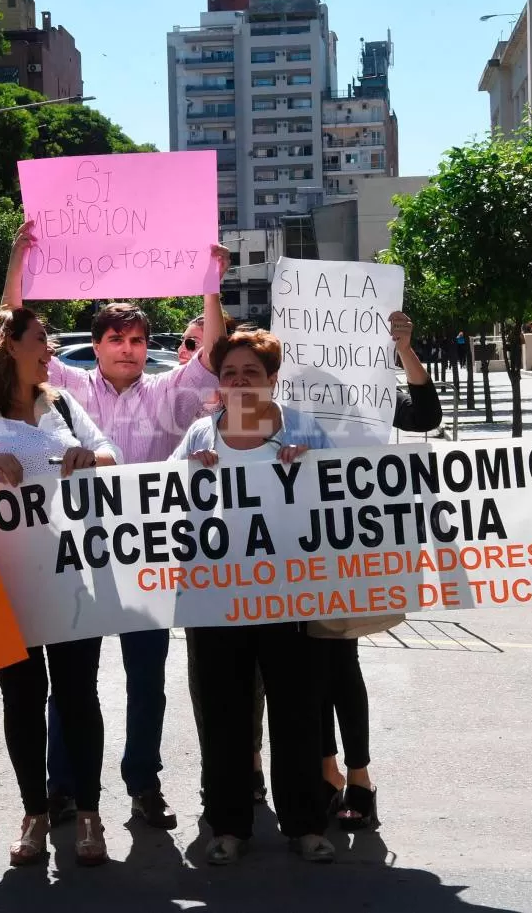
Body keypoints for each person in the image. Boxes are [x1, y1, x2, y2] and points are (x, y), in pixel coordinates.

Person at [1, 222, 227, 832]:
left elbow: (213, 353)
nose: (126, 347)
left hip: (149, 560)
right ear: (95, 345)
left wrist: (211, 286)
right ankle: (65, 788)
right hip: (76, 556)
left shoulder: (172, 393)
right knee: (71, 684)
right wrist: (18, 261)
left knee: (146, 682)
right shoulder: (67, 388)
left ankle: (142, 785)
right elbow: (11, 334)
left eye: (135, 338)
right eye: (114, 338)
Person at [0, 306, 120, 867]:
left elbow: (110, 456)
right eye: (42, 338)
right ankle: (35, 813)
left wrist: (86, 455)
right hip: (7, 582)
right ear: (7, 344)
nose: (51, 348)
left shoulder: (61, 404)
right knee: (21, 700)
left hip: (71, 576)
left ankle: (89, 813)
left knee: (77, 696)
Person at [172, 327, 336, 866]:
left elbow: (342, 499)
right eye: (229, 375)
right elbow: (164, 508)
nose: (239, 383)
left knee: (298, 712)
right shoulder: (201, 434)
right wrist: (189, 475)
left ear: (271, 380)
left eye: (251, 374)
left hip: (289, 601)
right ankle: (229, 823)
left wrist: (308, 465)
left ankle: (306, 824)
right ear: (217, 383)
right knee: (223, 715)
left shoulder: (304, 429)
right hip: (215, 603)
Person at [318, 311, 444, 832]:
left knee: (340, 662)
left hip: (349, 545)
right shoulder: (285, 400)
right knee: (307, 667)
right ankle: (325, 770)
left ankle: (359, 777)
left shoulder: (371, 394)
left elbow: (426, 415)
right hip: (294, 547)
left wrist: (404, 352)